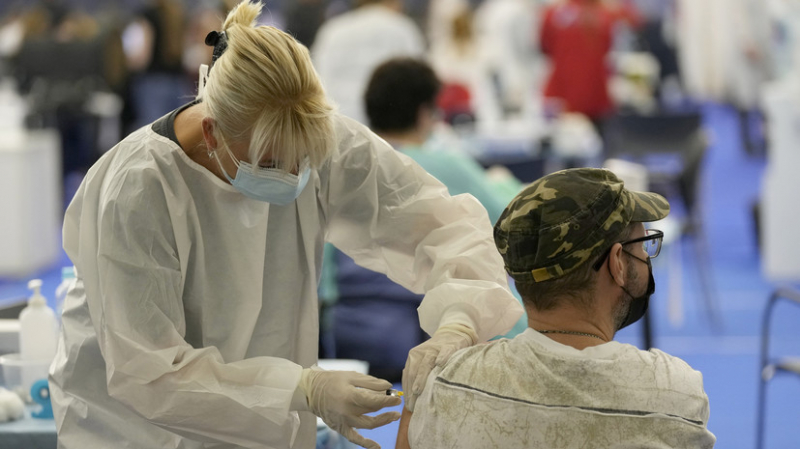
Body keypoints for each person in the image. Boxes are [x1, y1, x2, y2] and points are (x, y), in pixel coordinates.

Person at [48, 2, 524, 449]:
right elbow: (149, 375)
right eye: (274, 162)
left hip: (267, 421)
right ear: (212, 131)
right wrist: (304, 389)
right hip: (136, 430)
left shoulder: (314, 134)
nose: (295, 177)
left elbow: (441, 224)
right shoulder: (137, 189)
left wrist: (458, 324)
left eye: (305, 162)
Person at [396, 168, 717, 448]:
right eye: (644, 243)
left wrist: (417, 400)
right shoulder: (674, 393)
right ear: (618, 263)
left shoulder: (446, 382)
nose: (648, 256)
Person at [326, 57, 528, 382]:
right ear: (425, 113)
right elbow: (510, 214)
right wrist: (501, 181)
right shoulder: (444, 164)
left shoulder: (342, 166)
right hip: (439, 334)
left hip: (352, 330)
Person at [310, 0, 425, 125]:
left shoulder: (332, 30)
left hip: (336, 123)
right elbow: (420, 82)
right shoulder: (403, 29)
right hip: (387, 127)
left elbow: (314, 78)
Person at [539, 0, 642, 133]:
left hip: (580, 97)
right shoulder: (606, 12)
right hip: (577, 98)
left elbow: (545, 47)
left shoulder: (554, 12)